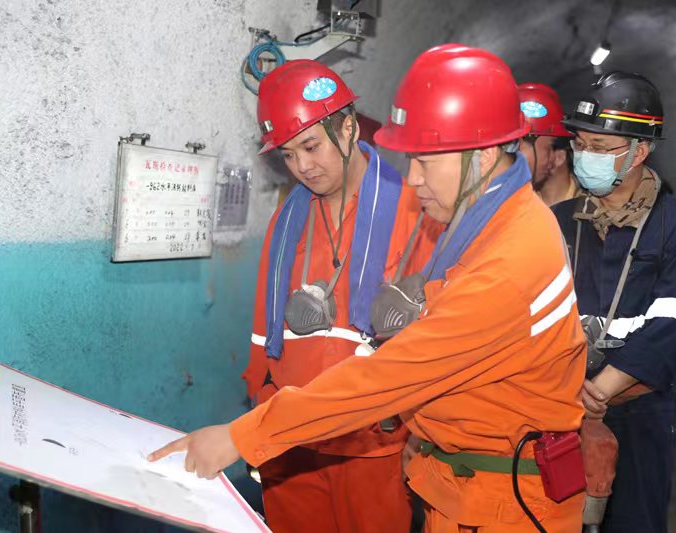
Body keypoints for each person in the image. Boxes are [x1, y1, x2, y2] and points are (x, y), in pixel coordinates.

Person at [151, 44, 587, 533]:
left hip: (500, 501)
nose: (413, 179)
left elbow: (391, 374)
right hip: (463, 488)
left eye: (424, 161)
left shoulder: (506, 258)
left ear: (483, 156)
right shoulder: (491, 225)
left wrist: (242, 436)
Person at [233, 59, 440, 533]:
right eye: (288, 155)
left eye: (311, 146)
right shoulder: (287, 221)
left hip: (373, 445)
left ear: (348, 128)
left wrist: (419, 431)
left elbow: (439, 331)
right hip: (292, 443)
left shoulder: (415, 209)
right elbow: (263, 330)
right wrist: (262, 408)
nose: (302, 167)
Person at [552, 71, 676, 532]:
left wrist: (599, 392)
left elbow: (675, 322)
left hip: (639, 412)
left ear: (638, 152)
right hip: (557, 403)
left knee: (634, 521)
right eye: (580, 144)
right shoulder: (556, 221)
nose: (585, 157)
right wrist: (570, 393)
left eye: (600, 148)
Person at [517, 83, 577, 206]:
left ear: (558, 156)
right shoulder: (506, 207)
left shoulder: (593, 211)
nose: (508, 156)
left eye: (518, 145)